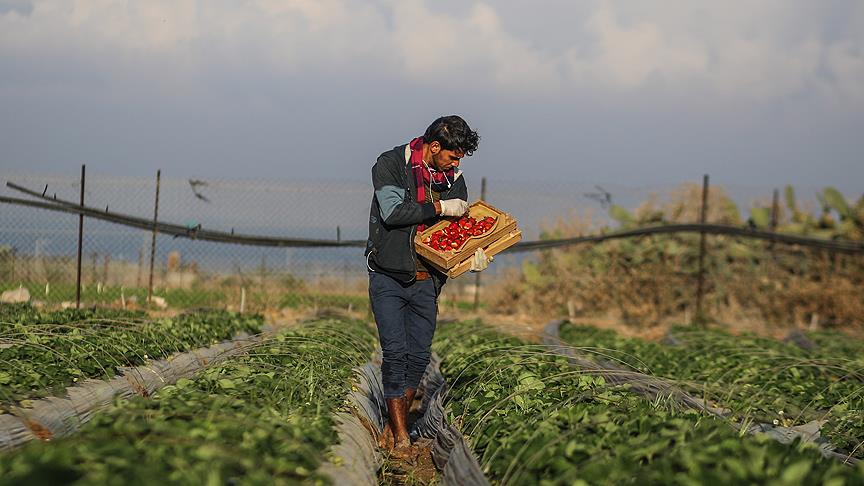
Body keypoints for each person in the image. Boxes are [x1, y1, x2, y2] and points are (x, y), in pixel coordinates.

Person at [365, 115, 489, 455]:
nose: (456, 162)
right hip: (388, 273)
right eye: (452, 155)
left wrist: (472, 259)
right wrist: (438, 206)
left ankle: (394, 425)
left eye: (460, 156)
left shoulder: (455, 181)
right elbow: (393, 212)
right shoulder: (391, 164)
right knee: (395, 352)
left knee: (418, 357)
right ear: (434, 147)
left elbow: (456, 236)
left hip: (427, 279)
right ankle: (402, 438)